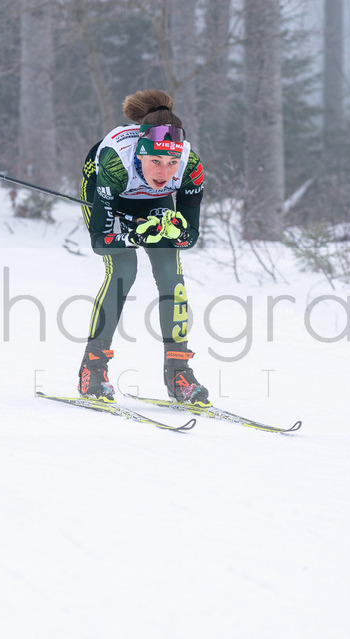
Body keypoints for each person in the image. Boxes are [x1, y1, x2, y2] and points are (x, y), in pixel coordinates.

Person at [77, 89, 210, 406]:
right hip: (107, 191)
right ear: (139, 153)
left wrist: (175, 231)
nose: (164, 172)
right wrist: (133, 237)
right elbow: (100, 242)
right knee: (124, 269)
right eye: (155, 162)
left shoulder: (191, 166)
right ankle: (92, 368)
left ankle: (178, 372)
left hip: (153, 200)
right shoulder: (116, 161)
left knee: (170, 273)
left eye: (171, 162)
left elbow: (191, 236)